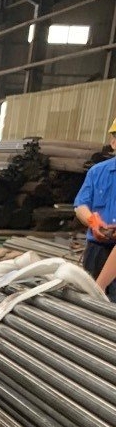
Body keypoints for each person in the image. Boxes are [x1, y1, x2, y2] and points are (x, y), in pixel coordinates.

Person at [74, 117, 116, 297]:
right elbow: (80, 205)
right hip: (96, 251)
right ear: (113, 142)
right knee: (89, 306)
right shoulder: (97, 172)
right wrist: (93, 222)